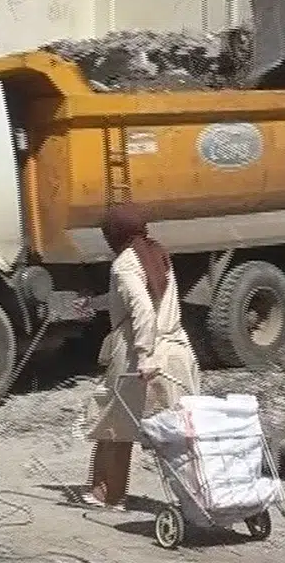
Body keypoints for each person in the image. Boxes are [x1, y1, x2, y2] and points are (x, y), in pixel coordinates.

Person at [83, 203, 202, 510]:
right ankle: (201, 497)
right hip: (176, 351)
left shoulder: (124, 263)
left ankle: (107, 494)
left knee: (114, 425)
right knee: (180, 432)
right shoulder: (157, 254)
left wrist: (144, 355)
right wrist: (94, 304)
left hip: (142, 354)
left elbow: (144, 311)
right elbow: (148, 297)